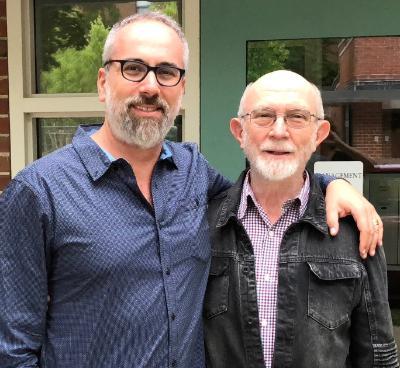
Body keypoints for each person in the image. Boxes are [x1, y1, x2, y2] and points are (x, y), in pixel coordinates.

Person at [0, 12, 383, 368]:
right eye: (133, 68)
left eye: (166, 72)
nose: (150, 86)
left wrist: (330, 186)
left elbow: (270, 179)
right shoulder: (38, 193)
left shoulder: (193, 173)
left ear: (181, 88)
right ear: (103, 82)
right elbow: (14, 350)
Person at [204, 70, 398, 368]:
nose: (279, 131)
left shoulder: (355, 231)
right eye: (264, 116)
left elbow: (376, 356)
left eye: (296, 117)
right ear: (239, 132)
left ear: (319, 134)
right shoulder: (202, 226)